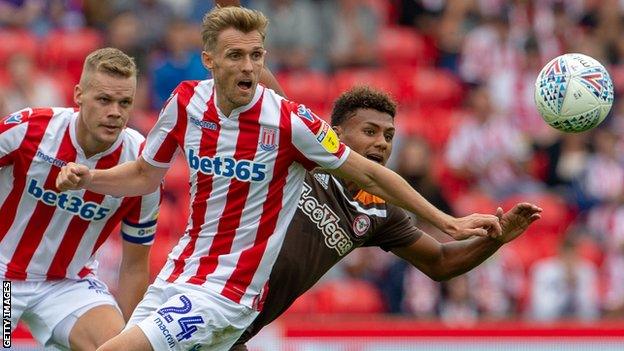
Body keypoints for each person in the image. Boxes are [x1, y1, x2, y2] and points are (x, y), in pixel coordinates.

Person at [56, 6, 501, 351]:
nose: (249, 66)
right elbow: (142, 175)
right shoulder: (186, 102)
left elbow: (369, 173)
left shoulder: (288, 122)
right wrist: (89, 177)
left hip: (227, 293)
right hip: (179, 274)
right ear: (209, 60)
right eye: (236, 55)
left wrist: (448, 221)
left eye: (256, 55)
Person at [229, 86, 542, 350]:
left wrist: (495, 241)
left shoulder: (380, 212)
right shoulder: (303, 157)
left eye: (389, 136)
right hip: (212, 297)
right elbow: (262, 79)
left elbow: (441, 262)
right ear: (335, 134)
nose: (382, 142)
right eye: (370, 131)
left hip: (235, 330)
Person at [0, 47, 161, 350]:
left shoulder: (142, 167)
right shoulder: (28, 130)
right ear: (78, 95)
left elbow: (135, 264)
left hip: (67, 284)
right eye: (104, 100)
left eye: (124, 102)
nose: (115, 112)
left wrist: (132, 337)